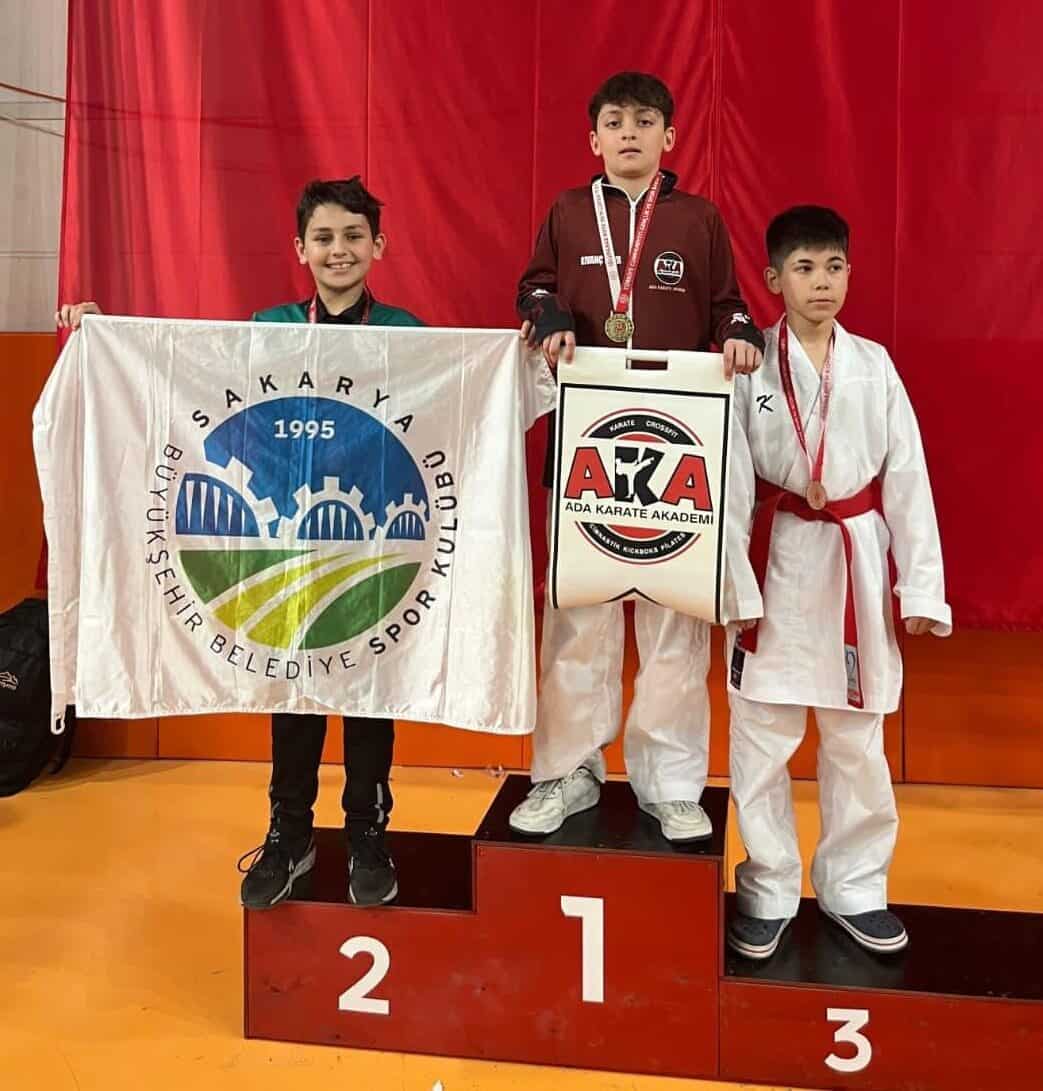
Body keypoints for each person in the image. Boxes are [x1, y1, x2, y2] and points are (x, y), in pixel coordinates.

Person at [58, 177, 423, 909]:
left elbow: (450, 401)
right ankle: (289, 832)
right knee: (293, 689)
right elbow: (185, 368)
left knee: (368, 690)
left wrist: (518, 359)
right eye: (324, 237)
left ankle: (366, 831)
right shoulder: (268, 326)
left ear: (378, 246)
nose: (339, 250)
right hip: (284, 533)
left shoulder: (407, 333)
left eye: (353, 236)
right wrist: (105, 334)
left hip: (371, 536)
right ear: (300, 249)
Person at [510, 71, 764, 841]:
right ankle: (567, 769)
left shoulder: (698, 218)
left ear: (669, 137)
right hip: (585, 447)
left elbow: (727, 305)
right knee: (577, 615)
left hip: (678, 448)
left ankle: (671, 781)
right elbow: (532, 288)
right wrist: (549, 313)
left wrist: (739, 333)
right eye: (615, 121)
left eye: (644, 120)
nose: (629, 132)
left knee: (674, 618)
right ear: (593, 139)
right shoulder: (566, 211)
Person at [724, 205, 951, 959]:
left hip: (856, 562)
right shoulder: (748, 363)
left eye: (833, 267)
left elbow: (908, 479)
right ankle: (766, 886)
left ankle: (855, 885)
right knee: (762, 737)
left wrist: (920, 587)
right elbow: (729, 483)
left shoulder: (874, 365)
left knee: (856, 739)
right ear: (772, 279)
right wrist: (729, 583)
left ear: (849, 273)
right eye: (804, 268)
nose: (821, 283)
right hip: (775, 560)